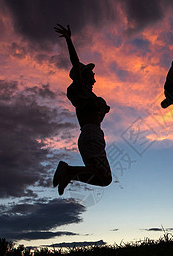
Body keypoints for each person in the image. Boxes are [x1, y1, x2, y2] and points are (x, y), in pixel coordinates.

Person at [52, 24, 112, 195]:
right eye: (90, 73)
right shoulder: (81, 91)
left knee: (103, 178)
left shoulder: (90, 96)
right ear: (83, 76)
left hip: (93, 136)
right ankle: (68, 171)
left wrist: (102, 108)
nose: (94, 76)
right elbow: (75, 63)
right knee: (104, 178)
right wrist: (69, 40)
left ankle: (68, 173)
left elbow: (98, 113)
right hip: (91, 135)